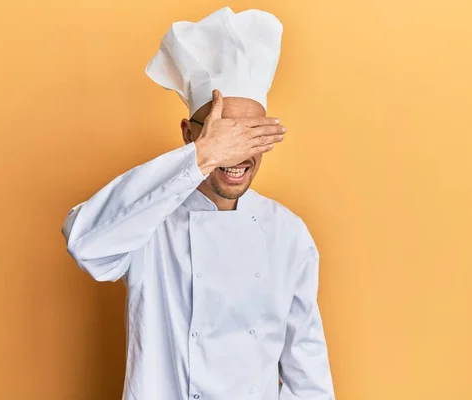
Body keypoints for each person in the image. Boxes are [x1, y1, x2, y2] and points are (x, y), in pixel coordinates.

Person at [62, 7, 335, 400]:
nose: (237, 153)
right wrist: (201, 158)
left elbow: (306, 368)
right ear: (189, 135)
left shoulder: (288, 233)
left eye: (251, 134)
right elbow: (84, 242)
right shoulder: (149, 220)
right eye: (224, 134)